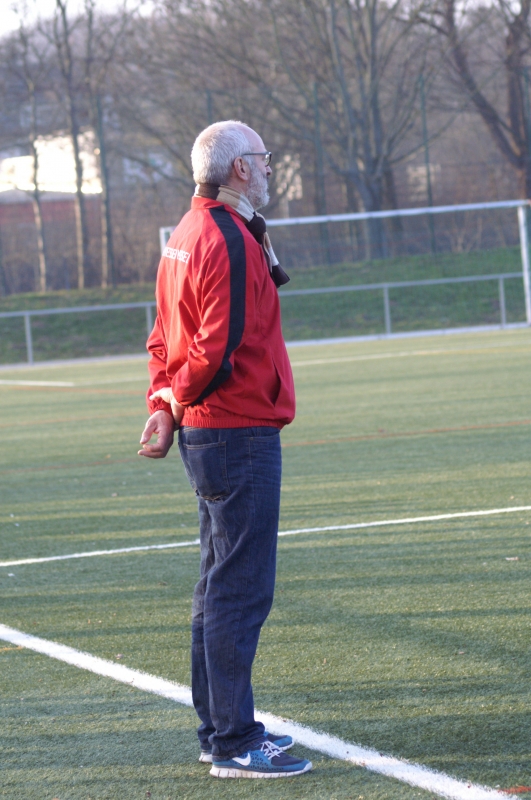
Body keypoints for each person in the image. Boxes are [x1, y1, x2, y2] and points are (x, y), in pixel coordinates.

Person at [138, 120, 312, 780]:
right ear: (239, 169)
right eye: (263, 160)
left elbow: (162, 336)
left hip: (210, 433)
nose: (268, 170)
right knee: (238, 590)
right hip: (235, 430)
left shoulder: (185, 234)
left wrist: (161, 402)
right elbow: (215, 345)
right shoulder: (224, 238)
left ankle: (219, 732)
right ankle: (236, 740)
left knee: (217, 588)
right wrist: (176, 400)